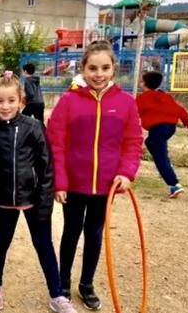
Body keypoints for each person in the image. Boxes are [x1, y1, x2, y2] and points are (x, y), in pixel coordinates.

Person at [47, 40, 143, 311]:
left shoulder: (126, 103)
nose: (98, 74)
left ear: (113, 69)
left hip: (106, 186)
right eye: (92, 68)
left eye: (104, 68)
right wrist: (60, 181)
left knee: (94, 232)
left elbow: (133, 142)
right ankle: (63, 283)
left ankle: (86, 284)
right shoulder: (68, 101)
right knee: (71, 231)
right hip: (74, 185)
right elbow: (56, 142)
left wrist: (126, 173)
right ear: (83, 69)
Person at [0, 73, 76, 313]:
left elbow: (46, 165)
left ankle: (57, 295)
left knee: (44, 245)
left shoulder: (34, 127)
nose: (5, 106)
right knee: (1, 243)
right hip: (4, 200)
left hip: (33, 200)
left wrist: (44, 202)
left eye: (11, 100)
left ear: (21, 101)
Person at [137, 71, 188, 198]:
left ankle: (174, 185)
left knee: (161, 158)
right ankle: (167, 166)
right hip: (171, 127)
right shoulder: (165, 95)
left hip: (158, 129)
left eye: (141, 80)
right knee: (149, 142)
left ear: (144, 83)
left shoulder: (143, 98)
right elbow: (180, 109)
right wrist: (186, 121)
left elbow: (131, 112)